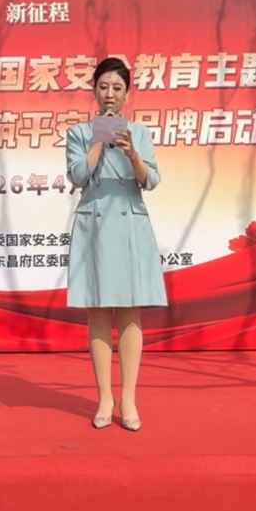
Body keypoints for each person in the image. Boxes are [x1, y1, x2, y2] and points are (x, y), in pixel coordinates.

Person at [65, 57, 167, 432]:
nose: (110, 94)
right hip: (93, 224)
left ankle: (129, 398)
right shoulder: (79, 133)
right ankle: (104, 397)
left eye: (117, 88)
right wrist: (97, 140)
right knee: (97, 311)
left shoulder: (138, 132)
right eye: (104, 87)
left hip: (129, 224)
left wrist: (131, 152)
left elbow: (151, 180)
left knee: (129, 312)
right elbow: (77, 176)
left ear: (127, 94)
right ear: (94, 90)